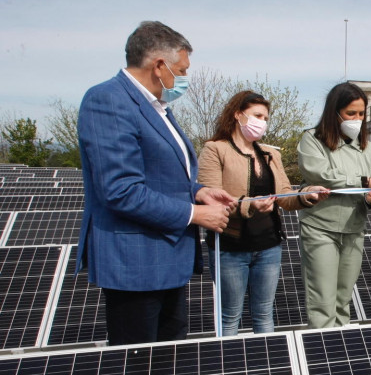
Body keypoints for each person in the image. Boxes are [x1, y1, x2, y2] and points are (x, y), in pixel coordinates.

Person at [76, 21, 234, 346]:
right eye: (182, 69)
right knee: (138, 372)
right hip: (136, 264)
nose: (185, 78)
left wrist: (200, 191)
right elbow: (121, 190)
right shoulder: (108, 101)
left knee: (168, 367)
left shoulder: (158, 108)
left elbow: (163, 176)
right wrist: (195, 214)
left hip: (166, 258)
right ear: (159, 65)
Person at [198, 90, 329, 335]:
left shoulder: (270, 154)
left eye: (266, 118)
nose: (262, 122)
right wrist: (250, 205)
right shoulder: (215, 150)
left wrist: (308, 194)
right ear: (238, 115)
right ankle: (229, 368)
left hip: (269, 246)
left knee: (264, 313)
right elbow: (211, 199)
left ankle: (266, 370)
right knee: (229, 316)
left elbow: (285, 195)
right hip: (230, 247)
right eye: (257, 115)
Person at [297, 82, 371, 328]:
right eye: (351, 113)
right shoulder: (312, 140)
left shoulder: (368, 148)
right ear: (334, 112)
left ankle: (340, 353)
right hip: (320, 230)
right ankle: (320, 356)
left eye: (361, 114)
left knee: (342, 301)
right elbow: (321, 175)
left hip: (354, 230)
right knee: (322, 303)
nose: (357, 119)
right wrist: (363, 181)